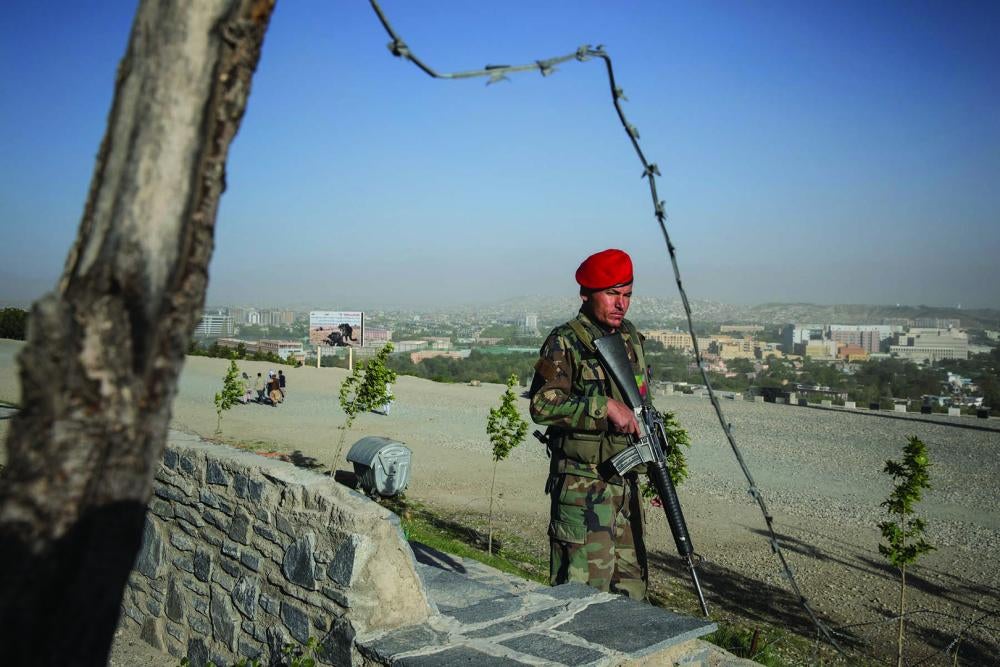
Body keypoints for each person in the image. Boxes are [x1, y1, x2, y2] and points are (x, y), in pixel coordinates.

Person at [528, 248, 651, 601]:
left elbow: (641, 406)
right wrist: (602, 407)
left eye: (626, 295)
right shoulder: (562, 341)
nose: (621, 304)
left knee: (632, 593)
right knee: (580, 598)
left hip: (625, 487)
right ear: (586, 294)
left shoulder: (631, 340)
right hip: (582, 489)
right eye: (612, 294)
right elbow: (540, 404)